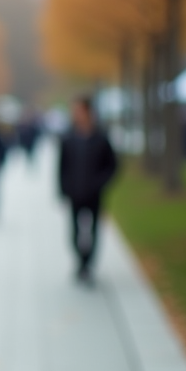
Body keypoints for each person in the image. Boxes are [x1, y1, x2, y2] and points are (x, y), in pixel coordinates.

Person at [59, 96, 118, 284]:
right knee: (75, 231)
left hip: (94, 193)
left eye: (79, 110)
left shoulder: (100, 137)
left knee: (92, 231)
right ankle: (80, 261)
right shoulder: (68, 137)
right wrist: (63, 189)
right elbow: (62, 166)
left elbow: (113, 165)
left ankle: (88, 265)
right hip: (74, 193)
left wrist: (100, 183)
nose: (76, 114)